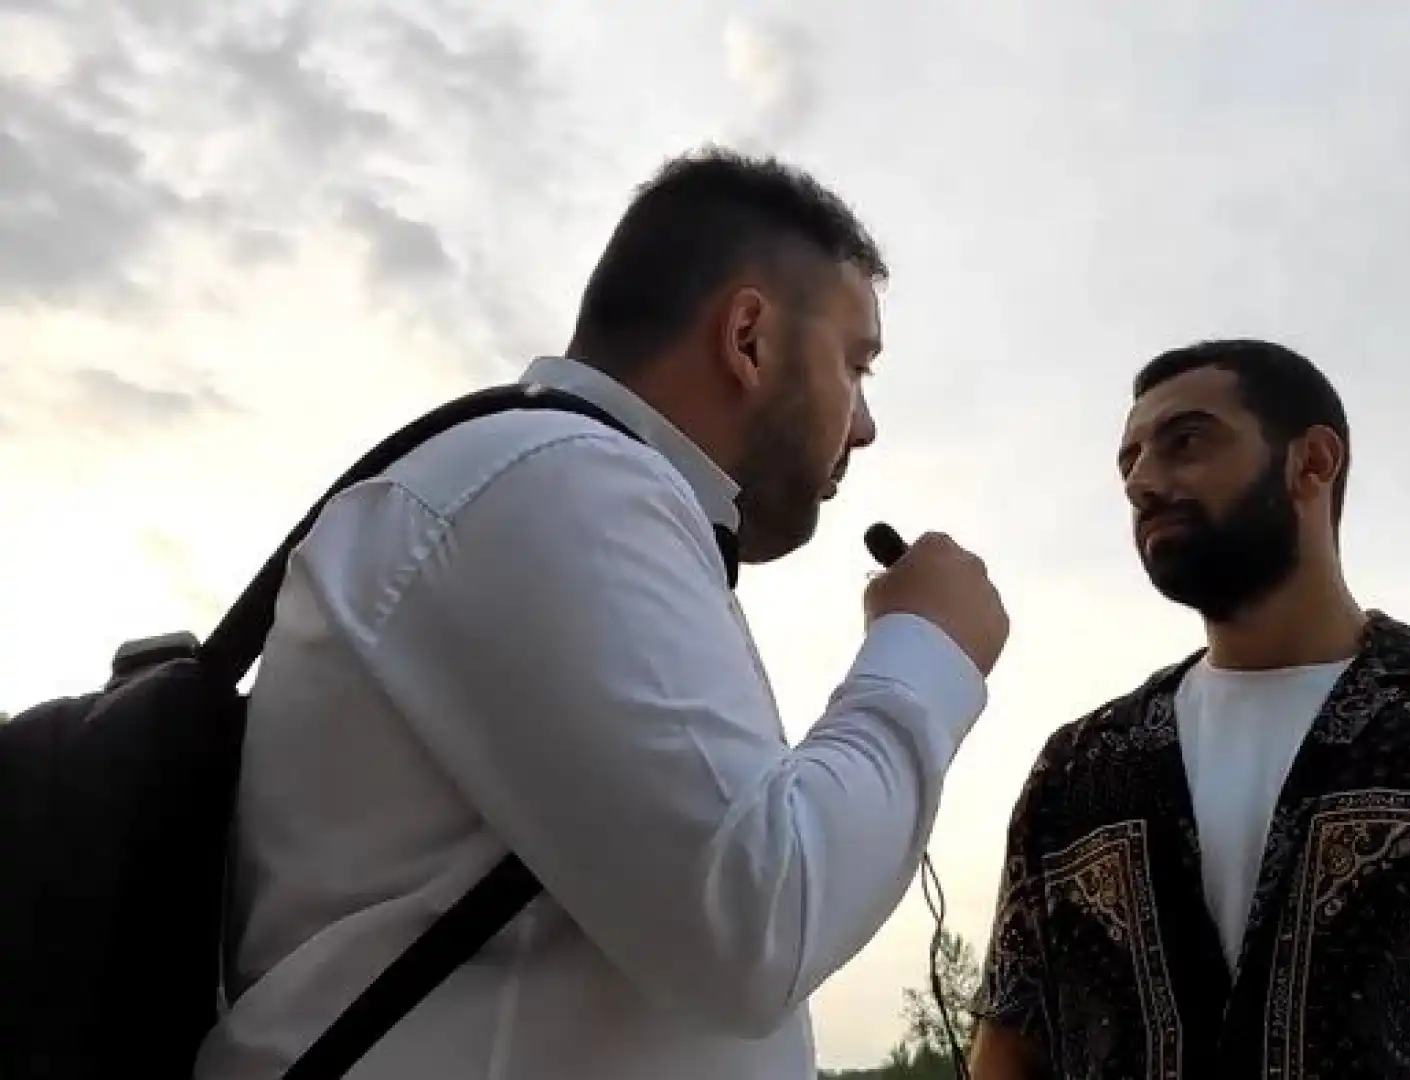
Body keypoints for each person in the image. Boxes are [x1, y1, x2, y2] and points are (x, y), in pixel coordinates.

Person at [194, 148, 1010, 1080]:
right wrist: (926, 653)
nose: (863, 426)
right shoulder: (560, 484)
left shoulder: (554, 491)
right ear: (749, 338)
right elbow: (756, 921)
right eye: (856, 365)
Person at [968, 339, 1410, 1079]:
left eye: (1186, 443)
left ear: (1311, 461)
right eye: (1130, 461)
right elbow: (1013, 1048)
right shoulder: (1081, 773)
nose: (1143, 482)